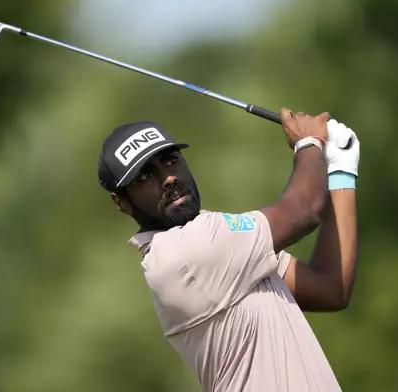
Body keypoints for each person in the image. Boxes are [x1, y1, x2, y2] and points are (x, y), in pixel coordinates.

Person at [97, 108, 360, 392]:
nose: (168, 178)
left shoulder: (224, 246)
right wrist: (309, 144)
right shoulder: (184, 253)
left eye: (171, 161)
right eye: (145, 176)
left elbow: (331, 288)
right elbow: (302, 213)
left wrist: (341, 172)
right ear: (122, 202)